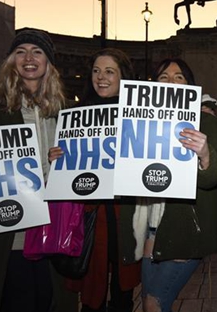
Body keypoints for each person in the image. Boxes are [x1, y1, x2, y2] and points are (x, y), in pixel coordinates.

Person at [0, 28, 78, 312]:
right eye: (21, 52)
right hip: (11, 230)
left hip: (54, 227)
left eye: (37, 52)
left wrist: (65, 160)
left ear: (48, 62)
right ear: (11, 61)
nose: (29, 58)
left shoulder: (65, 110)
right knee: (15, 300)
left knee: (48, 299)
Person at [49, 48, 141, 312]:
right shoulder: (75, 115)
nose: (101, 77)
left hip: (125, 214)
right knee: (93, 291)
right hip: (89, 215)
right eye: (96, 71)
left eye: (110, 71)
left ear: (124, 77)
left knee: (123, 291)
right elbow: (67, 171)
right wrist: (57, 157)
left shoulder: (136, 115)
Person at [137, 58, 217, 312]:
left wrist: (205, 154)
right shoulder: (142, 123)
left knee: (154, 304)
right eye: (164, 77)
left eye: (179, 77)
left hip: (183, 229)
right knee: (147, 304)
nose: (171, 82)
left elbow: (212, 178)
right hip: (151, 229)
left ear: (190, 85)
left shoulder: (205, 122)